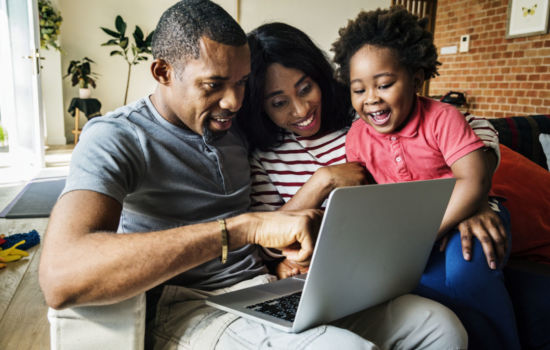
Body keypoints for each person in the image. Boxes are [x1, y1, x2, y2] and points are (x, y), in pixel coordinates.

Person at [39, 1, 467, 349]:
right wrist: (241, 229)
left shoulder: (236, 125)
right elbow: (61, 276)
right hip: (190, 305)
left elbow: (418, 123)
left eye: (243, 83)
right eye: (214, 84)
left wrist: (476, 193)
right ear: (163, 73)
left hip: (265, 290)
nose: (233, 100)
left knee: (439, 327)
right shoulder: (117, 137)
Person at [332, 7, 520, 349]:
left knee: (466, 272)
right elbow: (369, 198)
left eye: (385, 84)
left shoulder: (442, 118)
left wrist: (421, 235)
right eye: (358, 90)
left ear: (417, 79)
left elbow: (473, 181)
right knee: (420, 285)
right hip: (412, 235)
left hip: (471, 216)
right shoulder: (357, 136)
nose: (371, 98)